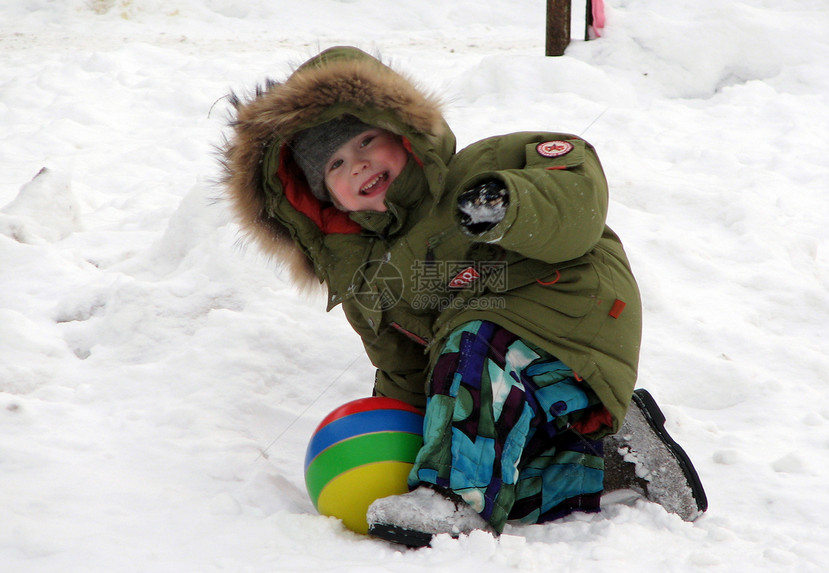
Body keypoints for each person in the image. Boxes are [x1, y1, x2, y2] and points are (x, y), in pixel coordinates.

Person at [220, 46, 707, 547]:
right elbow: (405, 373)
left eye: (367, 140)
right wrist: (400, 447)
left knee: (472, 340)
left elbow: (578, 188)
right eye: (336, 166)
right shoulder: (369, 281)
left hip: (569, 312)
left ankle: (456, 500)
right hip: (511, 379)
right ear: (322, 201)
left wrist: (506, 204)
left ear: (404, 134)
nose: (359, 164)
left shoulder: (478, 168)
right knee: (490, 468)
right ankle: (619, 462)